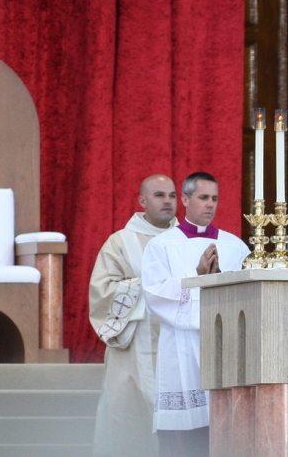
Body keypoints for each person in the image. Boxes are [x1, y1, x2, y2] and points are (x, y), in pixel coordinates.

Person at [142, 172, 250, 456]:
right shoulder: (162, 245)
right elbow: (154, 294)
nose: (210, 205)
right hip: (181, 349)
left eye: (214, 198)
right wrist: (197, 276)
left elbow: (249, 291)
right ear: (186, 200)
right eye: (203, 198)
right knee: (184, 433)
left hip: (223, 348)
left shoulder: (234, 245)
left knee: (224, 429)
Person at [89, 174, 179, 456]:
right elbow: (102, 290)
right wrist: (149, 287)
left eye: (173, 195)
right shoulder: (120, 242)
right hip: (135, 346)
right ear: (142, 201)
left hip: (180, 346)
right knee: (130, 424)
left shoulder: (188, 239)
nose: (168, 201)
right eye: (160, 195)